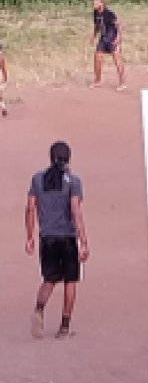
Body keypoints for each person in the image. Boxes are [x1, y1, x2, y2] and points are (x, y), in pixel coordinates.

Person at [25, 141, 90, 339]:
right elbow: (75, 211)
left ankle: (39, 309)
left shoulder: (38, 179)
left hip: (47, 237)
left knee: (50, 279)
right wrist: (84, 240)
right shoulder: (74, 181)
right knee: (70, 281)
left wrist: (30, 236)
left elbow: (30, 207)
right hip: (67, 237)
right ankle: (64, 327)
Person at [91, 0, 126, 90]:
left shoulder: (109, 13)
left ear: (101, 3)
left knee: (117, 60)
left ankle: (122, 83)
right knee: (97, 58)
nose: (93, 3)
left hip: (112, 38)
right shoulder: (95, 13)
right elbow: (97, 26)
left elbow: (118, 24)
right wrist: (93, 37)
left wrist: (119, 37)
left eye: (95, 2)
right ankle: (98, 81)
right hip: (103, 38)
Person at [0, 41, 8, 117]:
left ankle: (3, 108)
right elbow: (3, 69)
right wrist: (5, 77)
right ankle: (3, 108)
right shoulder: (1, 57)